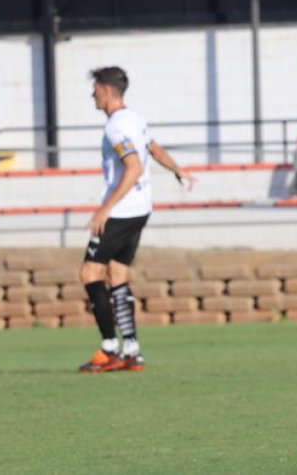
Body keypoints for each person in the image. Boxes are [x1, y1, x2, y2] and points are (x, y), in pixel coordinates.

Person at [79, 66, 196, 373]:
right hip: (141, 210)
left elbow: (133, 167)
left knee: (90, 274)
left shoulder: (116, 127)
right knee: (117, 275)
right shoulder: (135, 119)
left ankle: (109, 348)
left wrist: (104, 209)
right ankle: (132, 350)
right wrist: (178, 170)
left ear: (105, 90)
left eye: (94, 88)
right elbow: (153, 149)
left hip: (120, 212)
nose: (92, 94)